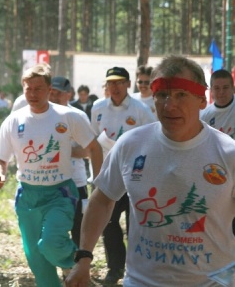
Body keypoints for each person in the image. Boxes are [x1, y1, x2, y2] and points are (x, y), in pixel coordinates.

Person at [65, 55, 235, 287]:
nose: (169, 105)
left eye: (181, 95)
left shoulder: (228, 152)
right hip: (142, 282)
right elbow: (102, 200)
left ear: (202, 99)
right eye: (163, 95)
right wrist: (83, 258)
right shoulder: (131, 144)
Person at [0, 63, 103, 287]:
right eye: (28, 88)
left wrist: (98, 184)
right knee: (37, 261)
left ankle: (80, 267)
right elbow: (0, 159)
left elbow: (95, 148)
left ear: (49, 89)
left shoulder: (68, 116)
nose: (33, 93)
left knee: (50, 244)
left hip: (59, 193)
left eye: (38, 88)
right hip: (28, 196)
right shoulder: (14, 121)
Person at [90, 66, 156, 284]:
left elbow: (153, 141)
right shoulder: (98, 107)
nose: (114, 87)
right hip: (109, 175)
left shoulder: (140, 110)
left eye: (119, 82)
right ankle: (115, 268)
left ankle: (136, 270)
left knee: (135, 225)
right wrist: (97, 174)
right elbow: (93, 142)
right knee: (107, 223)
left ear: (128, 84)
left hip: (136, 176)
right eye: (111, 83)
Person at [49, 76, 91, 249]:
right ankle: (62, 263)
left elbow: (88, 151)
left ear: (69, 94)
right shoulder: (42, 115)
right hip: (51, 181)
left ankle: (78, 265)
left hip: (76, 181)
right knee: (54, 227)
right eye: (51, 93)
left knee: (78, 226)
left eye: (58, 93)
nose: (54, 97)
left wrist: (65, 150)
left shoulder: (78, 116)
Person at [200, 69, 235, 138]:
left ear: (233, 89)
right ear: (211, 90)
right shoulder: (204, 117)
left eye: (225, 88)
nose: (221, 92)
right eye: (217, 88)